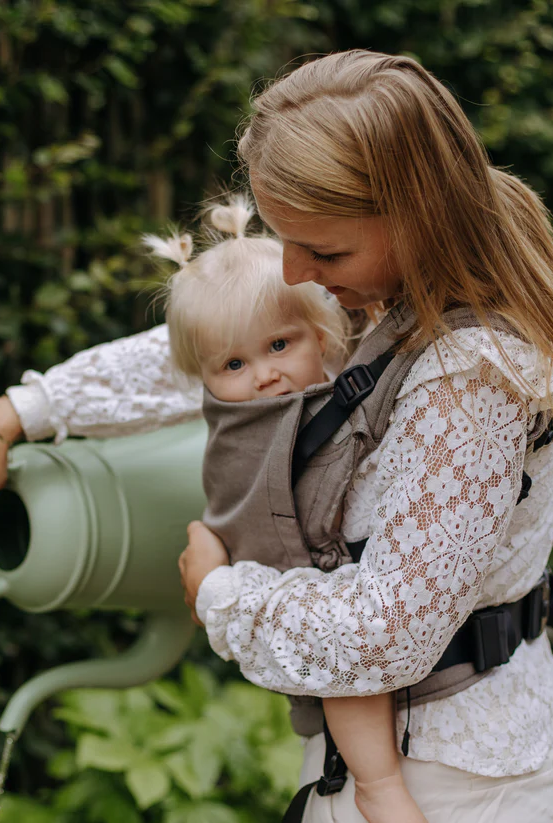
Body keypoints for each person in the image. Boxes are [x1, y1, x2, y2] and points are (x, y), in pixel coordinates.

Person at [0, 50, 553, 822]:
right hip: (399, 765)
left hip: (451, 785)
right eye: (286, 240)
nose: (298, 272)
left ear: (416, 213)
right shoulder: (397, 292)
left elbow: (385, 635)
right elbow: (225, 346)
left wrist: (217, 591)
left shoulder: (472, 376)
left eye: (324, 250)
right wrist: (12, 414)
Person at [148, 195, 426, 823]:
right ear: (204, 374)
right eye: (235, 364)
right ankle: (378, 785)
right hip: (297, 583)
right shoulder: (247, 431)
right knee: (345, 677)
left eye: (280, 344)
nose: (266, 376)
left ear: (321, 336)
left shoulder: (335, 368)